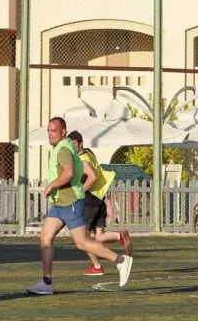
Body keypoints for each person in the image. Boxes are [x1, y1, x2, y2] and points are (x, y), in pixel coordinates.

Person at [26, 117, 133, 295]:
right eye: (48, 130)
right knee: (45, 237)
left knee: (82, 242)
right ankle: (46, 282)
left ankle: (120, 260)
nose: (50, 134)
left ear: (63, 132)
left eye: (54, 130)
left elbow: (68, 174)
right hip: (60, 203)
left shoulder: (63, 150)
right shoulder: (62, 148)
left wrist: (51, 186)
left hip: (70, 202)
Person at [67, 131, 132, 276]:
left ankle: (97, 266)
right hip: (98, 198)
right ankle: (118, 235)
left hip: (89, 200)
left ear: (80, 143)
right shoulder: (90, 154)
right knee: (99, 237)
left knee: (83, 239)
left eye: (74, 143)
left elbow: (93, 177)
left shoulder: (82, 159)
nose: (71, 146)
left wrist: (80, 191)